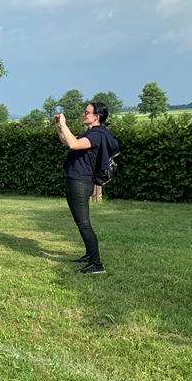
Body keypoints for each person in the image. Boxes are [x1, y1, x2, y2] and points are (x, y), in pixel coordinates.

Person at [55, 102, 119, 274]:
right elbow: (67, 141)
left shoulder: (97, 135)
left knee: (84, 224)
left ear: (97, 116)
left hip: (81, 182)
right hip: (76, 179)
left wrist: (65, 124)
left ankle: (96, 265)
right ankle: (90, 255)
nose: (84, 114)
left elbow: (74, 145)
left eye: (87, 112)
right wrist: (60, 127)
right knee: (81, 223)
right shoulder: (90, 133)